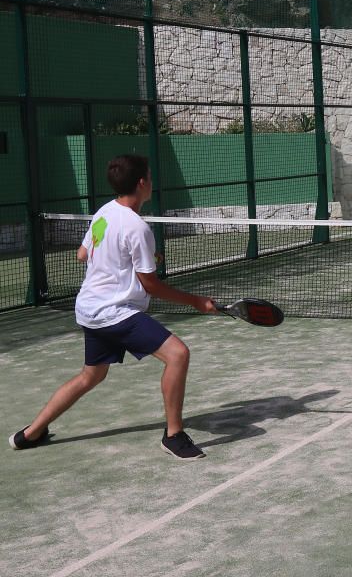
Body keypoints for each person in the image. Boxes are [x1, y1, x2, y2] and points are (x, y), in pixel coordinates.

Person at [8, 154, 216, 460]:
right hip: (114, 312)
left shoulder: (104, 212)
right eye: (150, 176)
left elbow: (83, 254)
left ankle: (29, 434)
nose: (151, 182)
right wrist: (197, 301)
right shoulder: (137, 228)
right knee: (178, 355)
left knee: (90, 376)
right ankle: (173, 435)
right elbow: (151, 286)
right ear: (143, 183)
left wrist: (132, 261)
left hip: (89, 310)